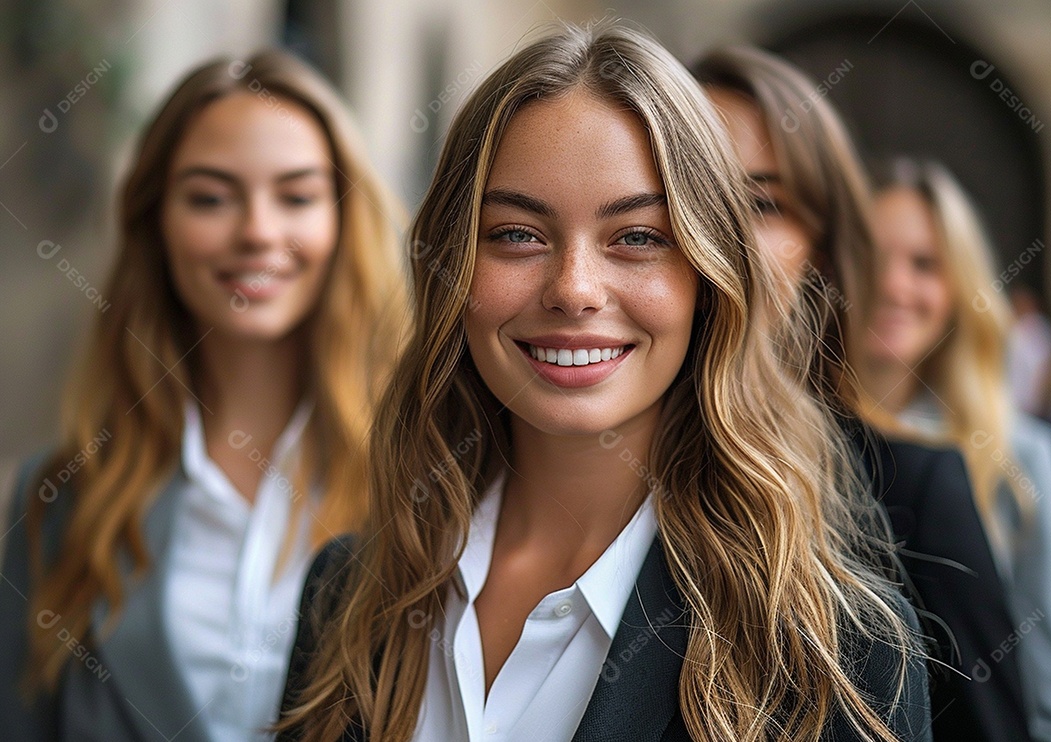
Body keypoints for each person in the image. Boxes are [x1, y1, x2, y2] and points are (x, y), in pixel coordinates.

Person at [278, 23, 929, 742]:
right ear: (452, 267)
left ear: (710, 279)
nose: (574, 290)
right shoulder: (344, 595)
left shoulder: (838, 655)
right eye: (517, 233)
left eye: (639, 237)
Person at [0, 50, 406, 741]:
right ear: (156, 222)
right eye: (211, 198)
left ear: (344, 220)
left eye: (298, 197)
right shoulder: (57, 502)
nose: (258, 231)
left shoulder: (426, 485)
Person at [692, 48, 1033, 742]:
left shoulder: (913, 491)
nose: (714, 230)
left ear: (822, 248)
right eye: (686, 189)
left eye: (762, 203)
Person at [860, 157, 1051, 741]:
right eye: (871, 257)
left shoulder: (1022, 452)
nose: (893, 285)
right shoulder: (792, 442)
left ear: (961, 285)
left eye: (925, 264)